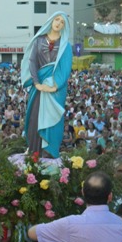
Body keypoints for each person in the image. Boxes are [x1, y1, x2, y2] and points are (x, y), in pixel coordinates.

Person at [20, 11, 73, 158]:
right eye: (57, 19)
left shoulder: (65, 46)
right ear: (51, 20)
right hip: (39, 88)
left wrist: (54, 86)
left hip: (56, 90)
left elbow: (65, 68)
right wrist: (37, 83)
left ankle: (48, 152)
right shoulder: (38, 41)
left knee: (53, 120)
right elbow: (32, 62)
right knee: (34, 118)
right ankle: (34, 150)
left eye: (62, 22)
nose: (58, 23)